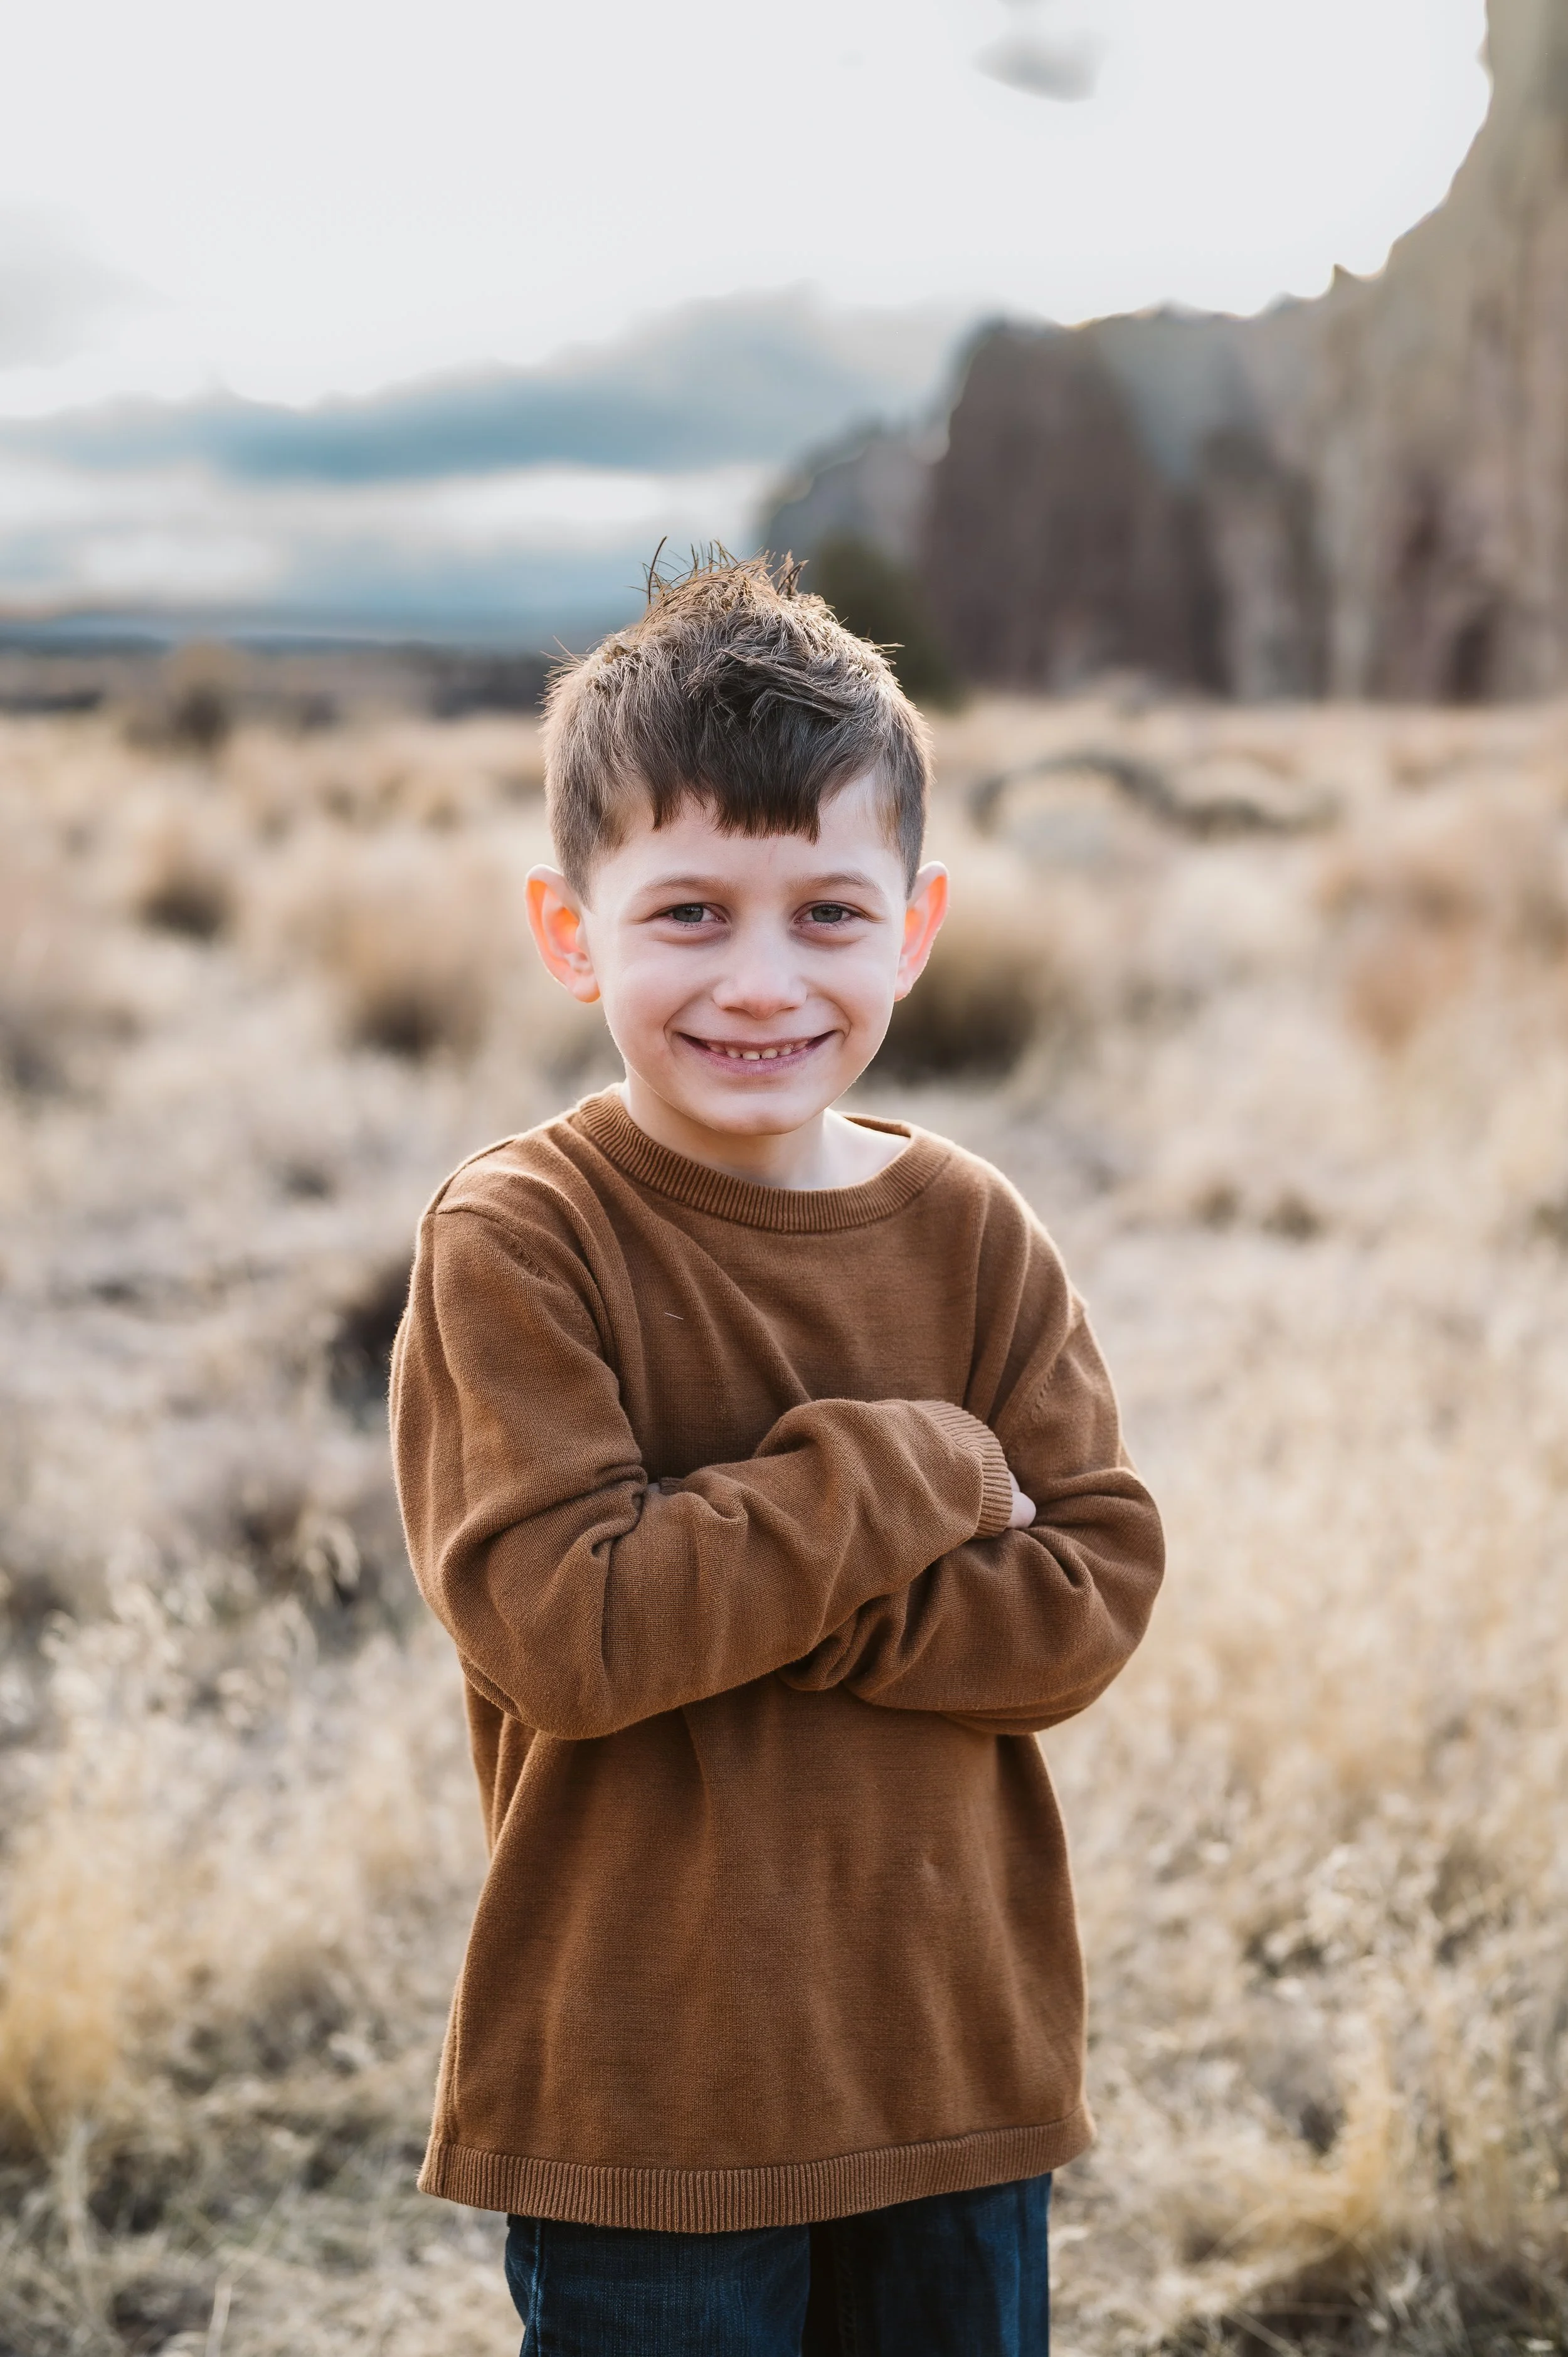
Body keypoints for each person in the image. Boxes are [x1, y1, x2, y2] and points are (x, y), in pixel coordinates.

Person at [390, 554, 1164, 2356]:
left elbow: (1085, 1605)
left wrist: (725, 1584)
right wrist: (906, 1475)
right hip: (646, 2096)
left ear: (915, 925)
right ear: (569, 929)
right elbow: (572, 1634)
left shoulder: (972, 1228)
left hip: (955, 2061)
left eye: (828, 913)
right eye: (687, 913)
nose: (760, 982)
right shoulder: (522, 1236)